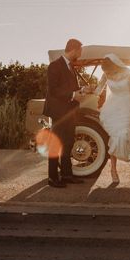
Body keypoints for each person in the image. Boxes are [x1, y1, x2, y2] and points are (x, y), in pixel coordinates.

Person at [42, 38, 87, 187]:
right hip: (58, 112)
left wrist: (81, 91)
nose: (80, 55)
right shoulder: (55, 66)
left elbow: (71, 89)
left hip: (69, 112)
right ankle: (53, 178)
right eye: (79, 52)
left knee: (68, 143)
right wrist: (73, 95)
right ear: (73, 50)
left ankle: (67, 175)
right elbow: (54, 90)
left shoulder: (71, 67)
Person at [95, 53, 130, 183]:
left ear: (116, 65)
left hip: (126, 105)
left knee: (122, 135)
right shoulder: (106, 74)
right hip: (111, 107)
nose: (109, 73)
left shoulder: (128, 73)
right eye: (107, 72)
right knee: (114, 136)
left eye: (110, 70)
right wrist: (87, 90)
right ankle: (113, 169)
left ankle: (122, 157)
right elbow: (98, 89)